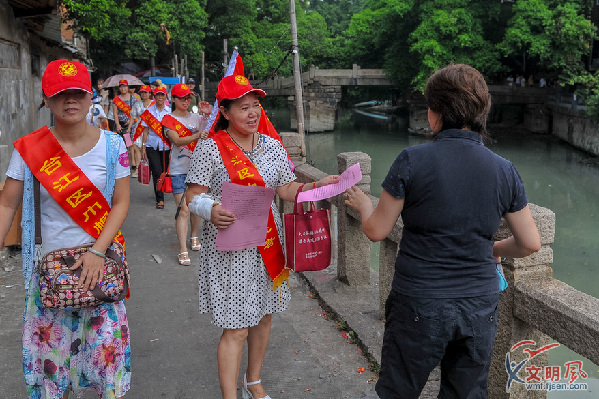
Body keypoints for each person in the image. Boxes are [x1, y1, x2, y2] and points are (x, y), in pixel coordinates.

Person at [344, 63, 541, 399]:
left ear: (435, 114)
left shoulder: (412, 160)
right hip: (479, 304)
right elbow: (530, 243)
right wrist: (492, 249)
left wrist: (363, 203)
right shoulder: (504, 169)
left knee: (399, 390)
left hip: (419, 303)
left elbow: (377, 230)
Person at [185, 75, 338, 399]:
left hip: (267, 245)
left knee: (265, 317)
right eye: (243, 107)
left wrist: (318, 185)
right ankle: (231, 395)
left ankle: (252, 380)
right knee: (237, 327)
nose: (253, 113)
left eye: (256, 106)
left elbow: (285, 188)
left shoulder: (272, 147)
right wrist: (210, 208)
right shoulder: (211, 148)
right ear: (225, 112)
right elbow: (192, 196)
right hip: (230, 252)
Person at [0, 59, 131, 398]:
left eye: (78, 93)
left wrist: (97, 252)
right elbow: (6, 204)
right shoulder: (30, 149)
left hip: (99, 269)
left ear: (90, 97)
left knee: (105, 362)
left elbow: (120, 203)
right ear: (47, 99)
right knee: (52, 370)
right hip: (46, 274)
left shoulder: (115, 145)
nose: (70, 101)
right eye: (60, 95)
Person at [163, 83, 211, 265]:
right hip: (178, 170)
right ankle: (183, 249)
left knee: (195, 206)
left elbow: (215, 128)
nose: (186, 101)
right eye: (182, 98)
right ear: (173, 99)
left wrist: (208, 113)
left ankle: (193, 235)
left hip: (198, 169)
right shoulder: (168, 120)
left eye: (188, 97)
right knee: (183, 209)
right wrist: (197, 135)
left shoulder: (198, 118)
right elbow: (177, 140)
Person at [141, 86, 171, 209]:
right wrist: (143, 146)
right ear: (154, 96)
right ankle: (160, 199)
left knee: (164, 171)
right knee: (157, 171)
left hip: (165, 146)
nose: (160, 97)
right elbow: (146, 130)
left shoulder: (169, 111)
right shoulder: (149, 111)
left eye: (162, 95)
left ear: (165, 97)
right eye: (158, 95)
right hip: (151, 145)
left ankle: (161, 189)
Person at [129, 85, 153, 177]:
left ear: (149, 93)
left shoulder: (153, 104)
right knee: (137, 148)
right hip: (139, 129)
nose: (144, 94)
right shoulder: (137, 104)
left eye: (145, 92)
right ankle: (138, 169)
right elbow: (133, 117)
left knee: (148, 149)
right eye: (142, 92)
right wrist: (129, 128)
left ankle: (149, 169)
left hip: (151, 129)